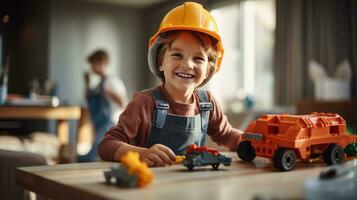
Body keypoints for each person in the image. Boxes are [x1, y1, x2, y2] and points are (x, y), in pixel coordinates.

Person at [97, 2, 242, 167]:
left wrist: (252, 139)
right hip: (148, 187)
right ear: (160, 62)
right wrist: (142, 154)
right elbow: (106, 145)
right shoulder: (145, 103)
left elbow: (228, 135)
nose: (188, 64)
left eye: (198, 58)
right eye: (177, 55)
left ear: (209, 69)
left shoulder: (207, 104)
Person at [79, 49, 127, 162]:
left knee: (91, 155)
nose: (91, 67)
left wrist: (109, 93)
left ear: (102, 62)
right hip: (99, 124)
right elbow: (88, 98)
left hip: (110, 124)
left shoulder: (112, 82)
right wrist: (86, 83)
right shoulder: (100, 83)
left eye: (93, 64)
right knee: (93, 153)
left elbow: (123, 103)